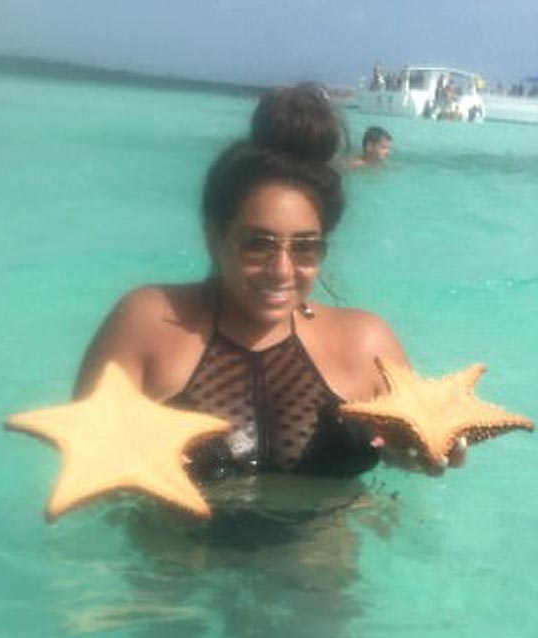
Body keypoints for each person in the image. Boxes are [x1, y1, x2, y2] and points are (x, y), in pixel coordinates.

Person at [74, 84, 463, 487]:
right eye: (258, 244)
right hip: (175, 532)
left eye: (305, 247)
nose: (281, 270)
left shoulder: (368, 344)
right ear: (214, 238)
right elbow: (87, 471)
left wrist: (419, 453)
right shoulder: (147, 323)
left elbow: (408, 444)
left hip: (340, 529)